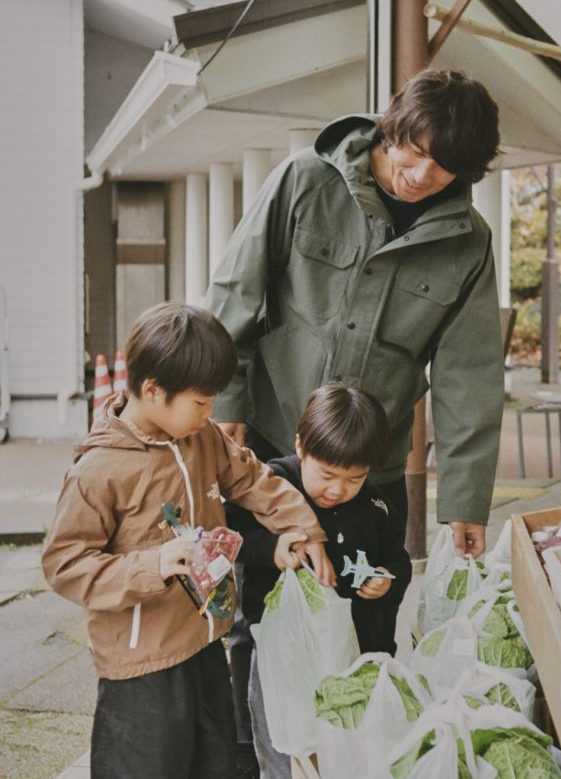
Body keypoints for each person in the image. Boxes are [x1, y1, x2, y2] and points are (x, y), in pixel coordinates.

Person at [206, 68, 505, 775]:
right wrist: (226, 410)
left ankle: (356, 757)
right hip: (279, 447)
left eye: (445, 166)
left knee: (372, 610)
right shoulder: (304, 181)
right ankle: (257, 759)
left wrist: (463, 501)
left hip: (373, 464)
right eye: (414, 150)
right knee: (260, 614)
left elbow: (468, 374)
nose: (422, 173)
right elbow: (235, 293)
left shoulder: (468, 240)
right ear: (391, 125)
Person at [42, 302, 335, 779]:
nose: (210, 413)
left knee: (213, 765)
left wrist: (304, 531)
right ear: (154, 391)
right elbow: (64, 564)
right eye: (201, 402)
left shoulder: (204, 440)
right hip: (141, 668)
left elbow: (255, 481)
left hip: (206, 643)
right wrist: (151, 565)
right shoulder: (99, 470)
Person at [226, 382, 412, 779]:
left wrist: (388, 579)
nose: (337, 489)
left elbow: (397, 557)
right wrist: (272, 549)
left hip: (350, 653)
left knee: (345, 746)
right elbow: (231, 533)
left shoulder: (377, 506)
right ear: (300, 446)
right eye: (326, 474)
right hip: (280, 652)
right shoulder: (272, 485)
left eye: (354, 479)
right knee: (280, 742)